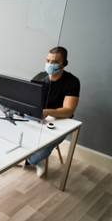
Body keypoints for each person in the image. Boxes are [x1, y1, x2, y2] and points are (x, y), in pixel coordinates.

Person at [26, 46, 80, 177]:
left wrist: (48, 112)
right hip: (39, 115)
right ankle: (32, 158)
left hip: (60, 120)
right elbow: (28, 99)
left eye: (54, 62)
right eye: (48, 60)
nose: (50, 64)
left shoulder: (72, 82)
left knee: (43, 151)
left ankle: (32, 160)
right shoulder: (40, 77)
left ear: (64, 64)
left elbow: (68, 111)